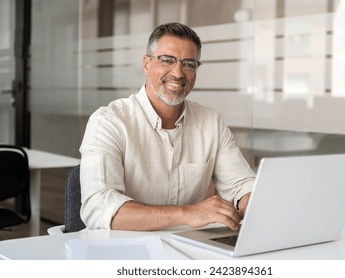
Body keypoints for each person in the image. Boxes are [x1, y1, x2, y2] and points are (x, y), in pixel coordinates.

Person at [79, 22, 255, 232]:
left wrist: (250, 200)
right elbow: (98, 208)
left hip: (190, 247)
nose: (178, 73)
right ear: (147, 64)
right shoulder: (108, 122)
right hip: (125, 250)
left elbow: (243, 185)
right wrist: (189, 213)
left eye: (189, 64)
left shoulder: (211, 122)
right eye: (167, 60)